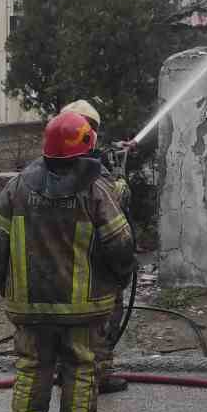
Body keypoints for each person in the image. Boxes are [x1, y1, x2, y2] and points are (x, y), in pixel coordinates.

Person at [0, 112, 136, 412]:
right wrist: (121, 278)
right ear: (86, 147)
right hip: (83, 307)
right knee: (81, 366)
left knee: (31, 365)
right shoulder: (96, 190)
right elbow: (120, 242)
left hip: (29, 305)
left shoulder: (17, 186)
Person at [59, 99, 132, 394]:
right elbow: (113, 212)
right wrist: (122, 184)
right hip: (92, 260)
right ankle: (98, 376)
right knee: (103, 318)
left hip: (55, 263)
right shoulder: (96, 176)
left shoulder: (42, 170)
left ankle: (63, 371)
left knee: (62, 325)